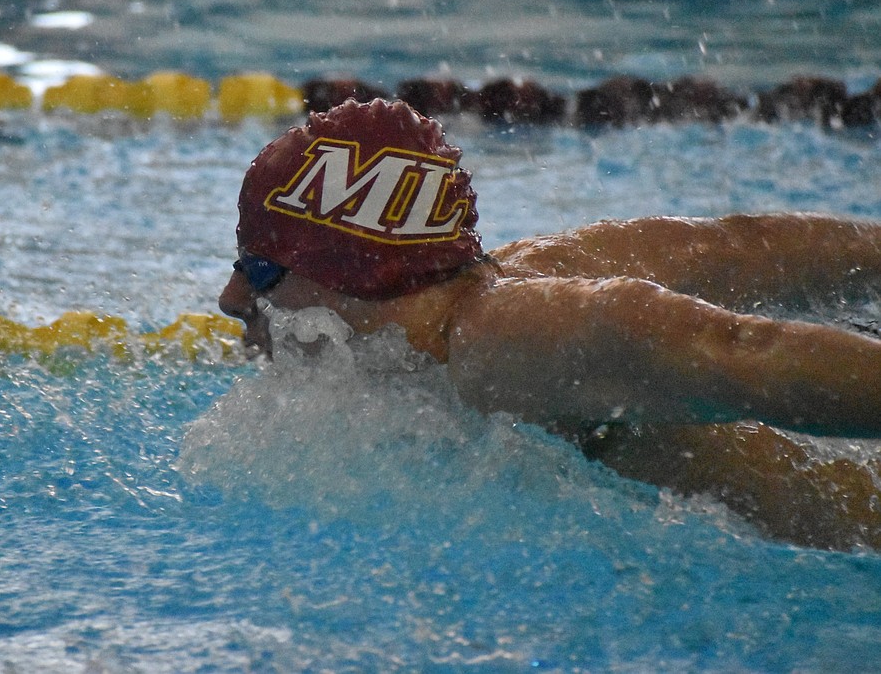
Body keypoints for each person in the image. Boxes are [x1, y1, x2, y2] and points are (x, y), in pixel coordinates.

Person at [218, 98, 881, 551]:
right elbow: (743, 245)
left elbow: (741, 350)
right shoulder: (529, 270)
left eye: (259, 267)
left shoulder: (501, 345)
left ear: (351, 273)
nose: (231, 295)